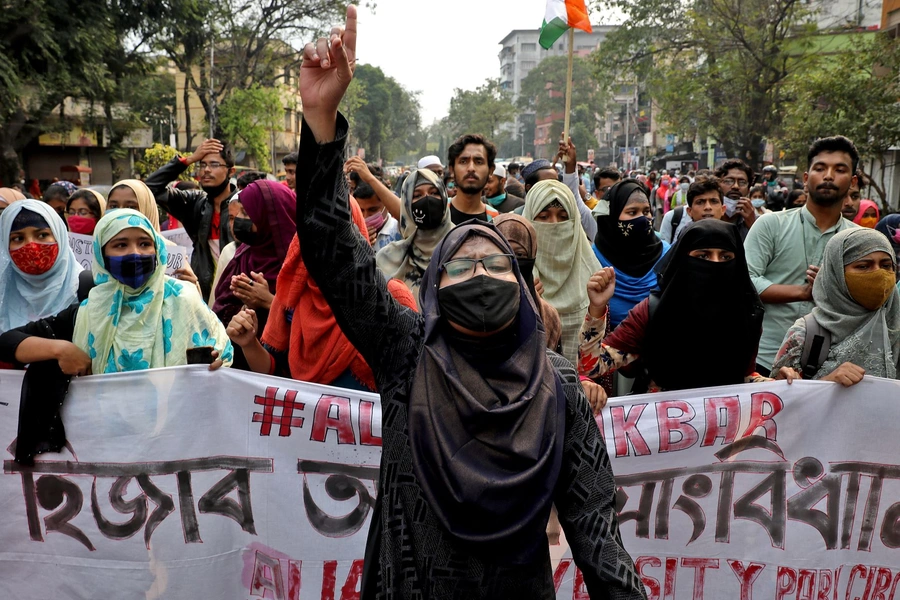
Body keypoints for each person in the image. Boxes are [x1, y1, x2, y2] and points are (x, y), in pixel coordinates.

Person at [294, 14, 646, 597]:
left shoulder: (556, 386)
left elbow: (597, 535)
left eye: (495, 265)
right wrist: (321, 122)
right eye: (460, 267)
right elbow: (333, 250)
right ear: (434, 287)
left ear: (521, 285)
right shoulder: (407, 353)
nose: (479, 274)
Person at [0, 209, 233, 376]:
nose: (135, 253)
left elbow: (223, 354)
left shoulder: (184, 298)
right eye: (120, 245)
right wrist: (61, 348)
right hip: (109, 437)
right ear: (102, 255)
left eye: (144, 244)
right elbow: (6, 342)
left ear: (157, 249)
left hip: (172, 434)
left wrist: (217, 363)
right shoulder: (91, 309)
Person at [226, 196, 417, 391]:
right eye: (315, 228)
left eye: (341, 228)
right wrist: (249, 343)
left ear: (357, 232)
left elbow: (413, 382)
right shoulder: (294, 299)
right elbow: (276, 375)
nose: (328, 241)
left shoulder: (391, 296)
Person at [579, 219, 765, 392]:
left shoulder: (746, 312)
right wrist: (597, 308)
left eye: (725, 257)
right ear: (683, 260)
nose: (715, 264)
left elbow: (745, 374)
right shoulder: (653, 311)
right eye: (703, 255)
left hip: (727, 423)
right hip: (667, 422)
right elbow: (592, 366)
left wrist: (782, 385)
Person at [744, 135, 860, 376]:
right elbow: (744, 281)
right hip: (763, 359)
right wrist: (804, 292)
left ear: (852, 182)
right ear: (806, 179)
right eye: (820, 168)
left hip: (831, 368)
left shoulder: (858, 240)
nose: (828, 175)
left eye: (839, 170)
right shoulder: (770, 225)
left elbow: (865, 303)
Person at [773, 228, 899, 385]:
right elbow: (780, 401)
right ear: (836, 273)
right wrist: (826, 382)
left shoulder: (895, 326)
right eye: (863, 266)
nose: (878, 274)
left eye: (886, 265)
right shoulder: (806, 333)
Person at [145, 138, 237, 298]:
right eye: (202, 164)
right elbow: (150, 188)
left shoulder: (244, 205)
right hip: (202, 295)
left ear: (231, 171)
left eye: (214, 164)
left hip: (236, 296)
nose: (206, 170)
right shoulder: (195, 203)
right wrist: (187, 160)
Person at [523, 179, 600, 364]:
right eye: (544, 216)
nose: (554, 224)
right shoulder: (514, 277)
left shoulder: (595, 277)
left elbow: (599, 354)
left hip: (585, 388)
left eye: (563, 216)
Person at [212, 180, 296, 343]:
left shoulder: (301, 267)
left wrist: (269, 302)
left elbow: (310, 324)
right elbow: (219, 315)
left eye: (245, 212)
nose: (238, 220)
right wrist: (246, 307)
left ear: (270, 216)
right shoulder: (241, 257)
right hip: (240, 362)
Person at [592, 179, 670, 331]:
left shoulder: (667, 255)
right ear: (612, 217)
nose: (642, 218)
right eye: (632, 212)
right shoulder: (593, 258)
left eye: (646, 211)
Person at [0, 199, 83, 334]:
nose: (31, 246)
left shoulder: (87, 290)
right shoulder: (3, 293)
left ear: (59, 235)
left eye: (42, 235)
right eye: (17, 238)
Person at [376, 168, 454, 306]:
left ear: (443, 196)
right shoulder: (387, 258)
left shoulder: (463, 246)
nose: (427, 199)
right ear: (406, 206)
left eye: (434, 193)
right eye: (417, 195)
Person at [492, 213, 562, 353]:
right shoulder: (473, 307)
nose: (511, 262)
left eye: (519, 255)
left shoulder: (548, 316)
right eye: (502, 253)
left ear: (532, 255)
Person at [446, 134, 500, 224]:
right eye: (463, 161)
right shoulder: (438, 213)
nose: (471, 168)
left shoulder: (497, 222)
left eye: (479, 162)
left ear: (491, 170)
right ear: (452, 169)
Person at [659, 177, 725, 245]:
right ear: (689, 211)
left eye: (714, 201)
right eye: (700, 202)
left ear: (723, 209)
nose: (708, 207)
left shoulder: (731, 236)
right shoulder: (683, 238)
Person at [351, 181, 402, 250]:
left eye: (372, 210)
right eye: (361, 210)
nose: (365, 216)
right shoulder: (352, 231)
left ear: (386, 205)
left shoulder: (400, 230)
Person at [715, 159, 756, 240]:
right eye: (729, 181)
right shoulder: (706, 216)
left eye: (742, 182)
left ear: (748, 189)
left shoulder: (758, 222)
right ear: (718, 186)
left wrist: (753, 226)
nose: (736, 186)